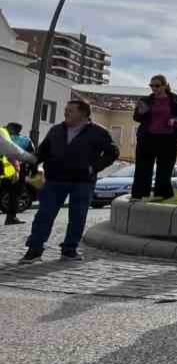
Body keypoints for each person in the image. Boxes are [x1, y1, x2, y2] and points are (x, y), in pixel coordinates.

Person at [20, 100, 119, 263]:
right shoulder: (56, 130)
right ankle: (34, 250)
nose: (66, 113)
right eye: (66, 110)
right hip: (54, 180)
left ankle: (69, 250)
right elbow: (42, 152)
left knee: (78, 216)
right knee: (44, 214)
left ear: (84, 114)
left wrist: (93, 168)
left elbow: (112, 152)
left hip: (82, 181)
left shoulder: (98, 132)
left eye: (70, 110)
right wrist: (33, 162)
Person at [131, 74, 177, 200]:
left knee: (165, 168)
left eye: (157, 85)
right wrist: (140, 112)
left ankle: (161, 194)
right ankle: (139, 194)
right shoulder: (146, 100)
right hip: (147, 138)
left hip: (167, 139)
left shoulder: (173, 100)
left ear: (164, 86)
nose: (154, 88)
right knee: (142, 167)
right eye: (151, 86)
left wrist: (175, 120)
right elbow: (137, 118)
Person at [3, 122, 34, 225]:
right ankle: (11, 217)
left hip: (7, 168)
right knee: (15, 194)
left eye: (8, 127)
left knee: (14, 194)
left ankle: (11, 217)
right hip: (17, 170)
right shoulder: (25, 140)